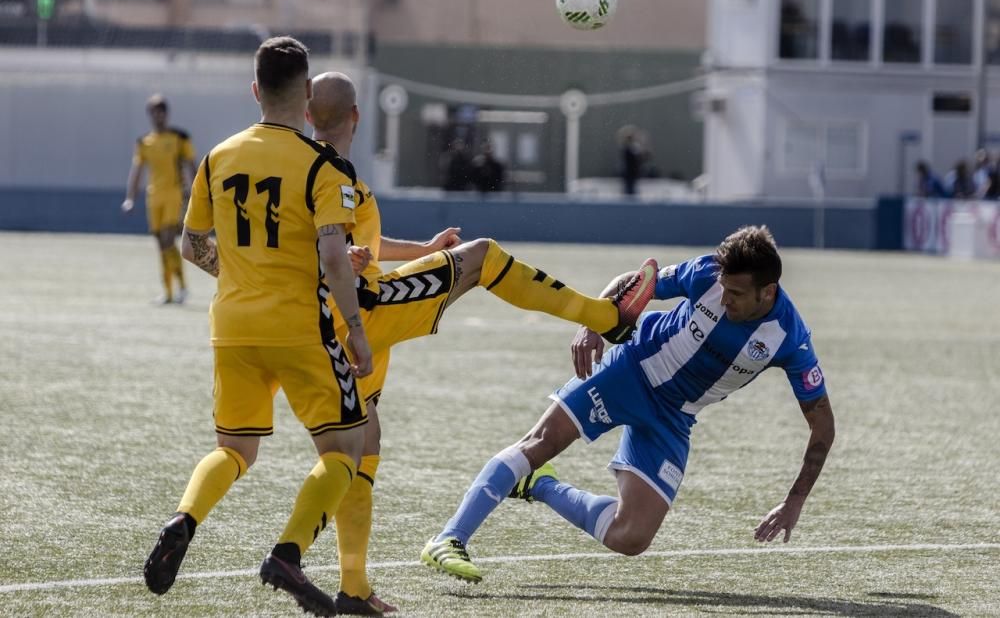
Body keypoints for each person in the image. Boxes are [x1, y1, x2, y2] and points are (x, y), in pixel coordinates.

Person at [303, 71, 659, 614]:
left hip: (333, 319)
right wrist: (348, 276)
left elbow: (352, 245)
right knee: (484, 257)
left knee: (362, 447)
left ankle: (352, 587)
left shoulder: (306, 166)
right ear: (356, 116)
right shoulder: (332, 171)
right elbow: (334, 251)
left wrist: (415, 249)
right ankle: (607, 316)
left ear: (310, 117)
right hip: (365, 311)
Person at [421, 226, 835, 584]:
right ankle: (449, 538)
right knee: (542, 440)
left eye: (738, 294)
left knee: (631, 537)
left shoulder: (790, 338)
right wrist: (593, 326)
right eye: (724, 289)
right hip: (631, 369)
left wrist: (794, 500)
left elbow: (823, 427)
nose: (726, 299)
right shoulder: (707, 272)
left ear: (769, 291)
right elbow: (636, 281)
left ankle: (540, 485)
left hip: (674, 418)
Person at [142, 37, 374, 618]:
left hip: (232, 325)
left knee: (234, 448)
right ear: (307, 93)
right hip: (299, 327)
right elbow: (333, 256)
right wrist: (356, 330)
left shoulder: (219, 156)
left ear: (254, 90)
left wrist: (242, 270)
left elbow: (193, 245)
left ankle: (183, 519)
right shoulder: (325, 164)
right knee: (349, 445)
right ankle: (288, 553)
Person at [121, 94, 196, 304]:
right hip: (154, 198)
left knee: (167, 239)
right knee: (161, 245)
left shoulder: (180, 137)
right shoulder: (144, 142)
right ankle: (169, 292)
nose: (158, 116)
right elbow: (136, 171)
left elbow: (191, 164)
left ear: (166, 114)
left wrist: (196, 191)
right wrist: (130, 198)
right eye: (154, 112)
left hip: (174, 195)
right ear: (150, 115)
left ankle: (182, 288)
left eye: (161, 112)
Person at [617, 125, 643, 196]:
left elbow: (639, 159)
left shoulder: (634, 147)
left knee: (631, 190)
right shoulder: (628, 148)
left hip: (632, 173)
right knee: (629, 191)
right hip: (629, 173)